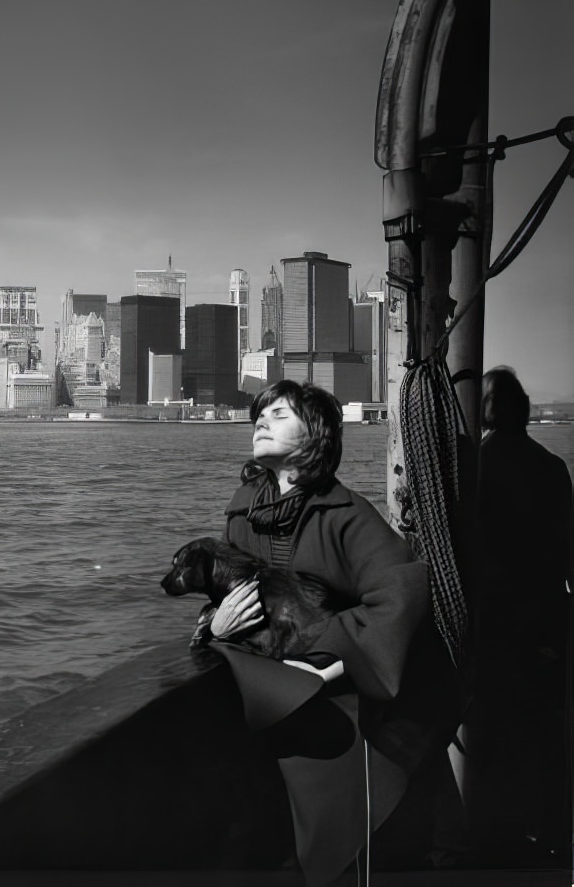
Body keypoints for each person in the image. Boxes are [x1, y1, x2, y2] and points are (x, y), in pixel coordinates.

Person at [193, 380, 461, 887]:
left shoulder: (347, 515)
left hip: (352, 698)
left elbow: (403, 595)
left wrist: (331, 658)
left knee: (358, 843)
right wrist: (218, 623)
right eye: (260, 413)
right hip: (282, 691)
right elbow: (228, 593)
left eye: (279, 414)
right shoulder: (242, 512)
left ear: (314, 435)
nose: (262, 421)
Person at [472, 366, 572, 864]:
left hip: (494, 623)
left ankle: (496, 842)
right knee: (544, 735)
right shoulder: (553, 468)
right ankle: (550, 833)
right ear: (526, 408)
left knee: (494, 737)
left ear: (482, 410)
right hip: (547, 621)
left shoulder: (474, 469)